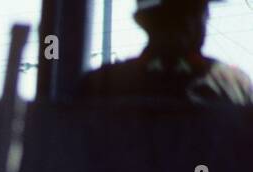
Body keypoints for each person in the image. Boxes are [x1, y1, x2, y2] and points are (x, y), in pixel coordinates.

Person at [80, 0, 253, 104]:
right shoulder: (234, 87)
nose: (185, 23)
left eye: (192, 9)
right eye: (171, 15)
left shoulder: (104, 86)